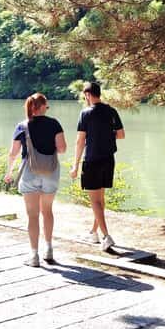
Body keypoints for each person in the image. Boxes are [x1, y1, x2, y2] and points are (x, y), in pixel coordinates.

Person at [4, 92, 67, 267]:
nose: (47, 109)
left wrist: (9, 172)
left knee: (32, 215)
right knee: (47, 211)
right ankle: (48, 249)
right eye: (46, 106)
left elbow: (13, 153)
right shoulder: (54, 124)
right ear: (41, 107)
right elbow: (62, 149)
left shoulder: (22, 126)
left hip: (29, 173)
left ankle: (34, 256)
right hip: (50, 172)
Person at [69, 81, 124, 252]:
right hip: (108, 160)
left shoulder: (85, 113)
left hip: (92, 160)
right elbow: (121, 135)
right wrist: (107, 134)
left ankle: (106, 236)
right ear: (99, 94)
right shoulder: (111, 111)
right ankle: (93, 232)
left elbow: (80, 141)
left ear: (87, 94)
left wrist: (75, 166)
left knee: (95, 201)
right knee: (100, 200)